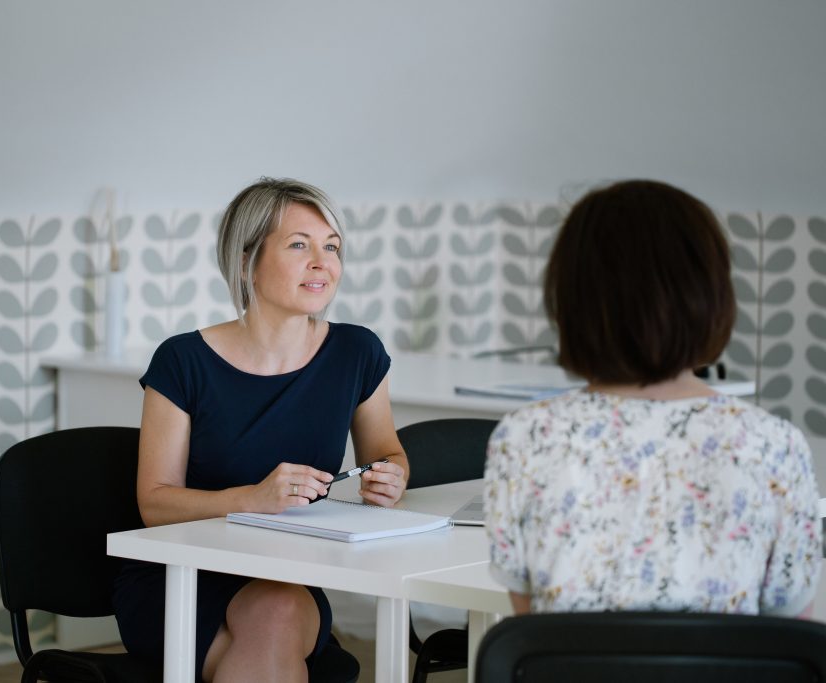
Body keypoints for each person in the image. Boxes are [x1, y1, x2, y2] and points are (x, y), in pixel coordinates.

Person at [113, 177, 410, 682]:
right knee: (272, 631)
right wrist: (253, 497)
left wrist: (393, 477)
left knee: (276, 609)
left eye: (332, 247)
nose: (323, 262)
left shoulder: (356, 352)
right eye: (300, 245)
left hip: (287, 574)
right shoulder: (183, 361)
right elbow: (155, 502)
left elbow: (388, 453)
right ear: (247, 262)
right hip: (182, 573)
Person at [483, 179, 822, 618]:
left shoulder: (524, 437)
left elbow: (532, 631)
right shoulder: (775, 444)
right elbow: (790, 638)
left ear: (569, 300)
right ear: (712, 297)